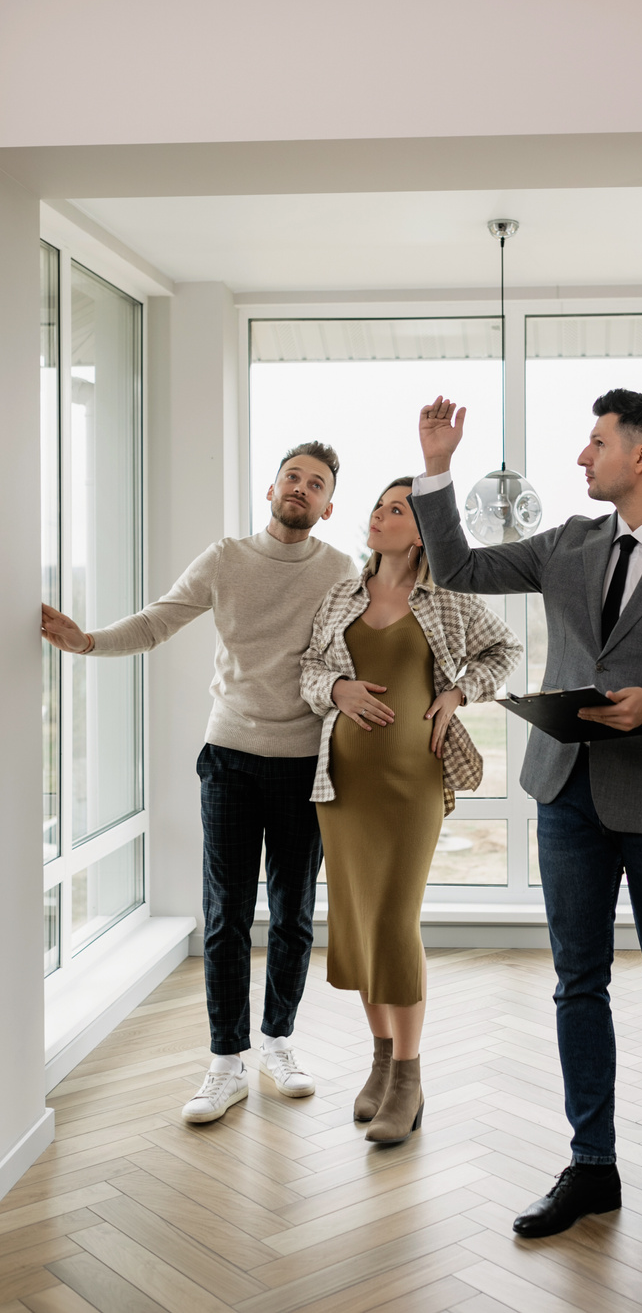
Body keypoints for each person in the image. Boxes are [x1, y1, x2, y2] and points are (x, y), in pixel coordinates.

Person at [411, 391, 642, 1232]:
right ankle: (591, 1164)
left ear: (641, 456)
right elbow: (461, 569)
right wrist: (436, 470)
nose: (581, 457)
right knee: (579, 982)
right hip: (567, 794)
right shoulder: (568, 543)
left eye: (595, 442)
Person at [41, 443, 357, 1124]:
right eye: (292, 477)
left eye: (316, 484)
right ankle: (225, 1063)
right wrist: (87, 640)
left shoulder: (340, 572)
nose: (300, 489)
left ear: (329, 507)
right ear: (271, 488)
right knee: (226, 917)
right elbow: (158, 621)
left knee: (295, 916)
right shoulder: (226, 559)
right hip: (231, 758)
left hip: (306, 764)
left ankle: (279, 1043)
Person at [299, 477, 522, 1144]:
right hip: (341, 789)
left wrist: (457, 694)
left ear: (421, 529)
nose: (377, 515)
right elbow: (309, 671)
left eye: (395, 509)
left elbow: (505, 651)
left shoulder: (449, 599)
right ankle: (378, 1063)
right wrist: (336, 687)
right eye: (376, 506)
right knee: (358, 923)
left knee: (394, 922)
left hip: (413, 785)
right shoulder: (340, 593)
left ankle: (409, 1076)